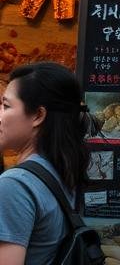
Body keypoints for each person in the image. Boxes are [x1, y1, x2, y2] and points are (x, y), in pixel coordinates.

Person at [0, 62, 88, 265]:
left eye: (6, 106)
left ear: (38, 115)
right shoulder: (60, 170)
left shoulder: (15, 185)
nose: (1, 116)